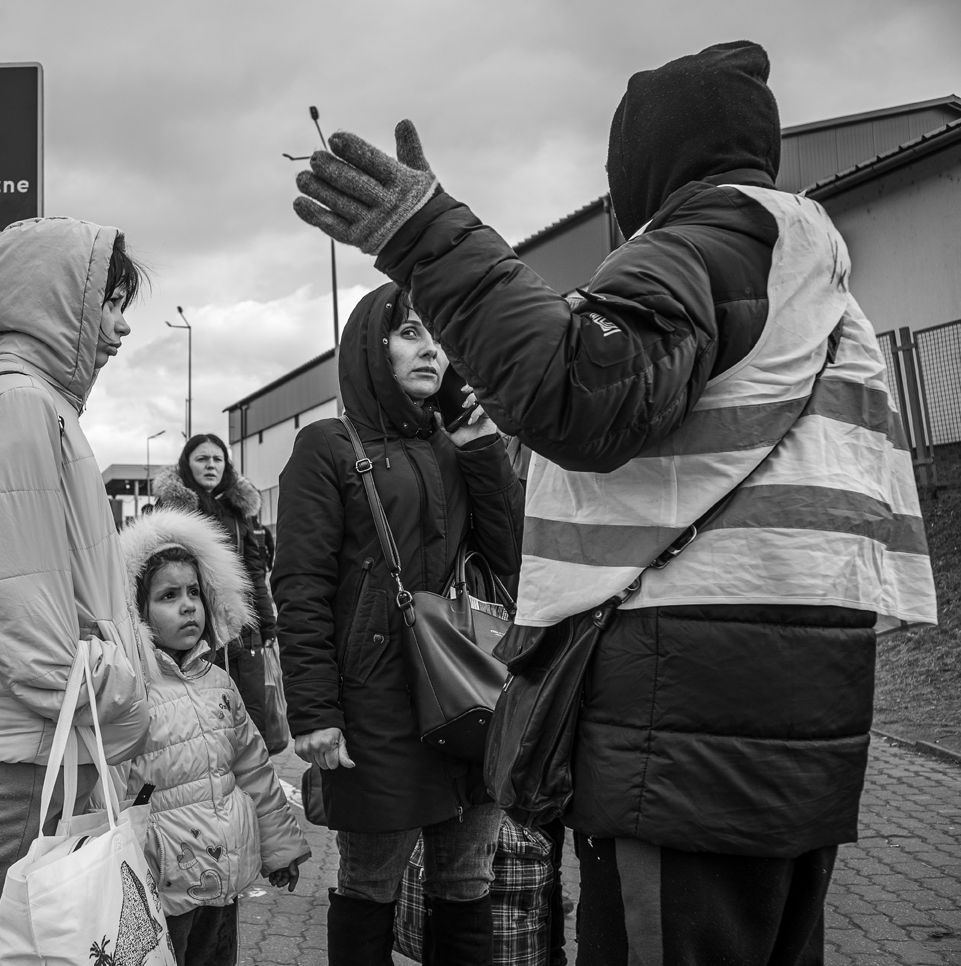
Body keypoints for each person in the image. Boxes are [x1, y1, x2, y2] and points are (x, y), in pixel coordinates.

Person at [291, 40, 936, 966]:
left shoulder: (707, 241)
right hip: (786, 706)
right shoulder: (811, 276)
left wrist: (430, 239)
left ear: (647, 161)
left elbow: (581, 394)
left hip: (683, 723)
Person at [273, 283, 525, 965]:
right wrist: (315, 712)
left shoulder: (457, 445)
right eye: (411, 331)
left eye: (438, 336)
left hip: (467, 689)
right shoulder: (326, 445)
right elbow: (300, 587)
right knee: (369, 884)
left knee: (468, 884)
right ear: (370, 346)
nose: (431, 349)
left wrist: (478, 444)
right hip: (375, 704)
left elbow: (509, 558)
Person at [0, 217, 154, 966]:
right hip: (27, 731)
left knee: (13, 930)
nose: (120, 327)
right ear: (60, 300)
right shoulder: (22, 405)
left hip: (32, 726)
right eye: (111, 303)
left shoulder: (32, 403)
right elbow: (16, 597)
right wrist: (113, 688)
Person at [119, 508, 310, 966]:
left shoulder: (220, 684)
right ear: (136, 611)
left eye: (193, 593)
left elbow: (255, 770)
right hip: (162, 878)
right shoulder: (128, 690)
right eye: (168, 595)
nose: (188, 605)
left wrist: (280, 847)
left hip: (224, 873)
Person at [153, 435, 284, 753]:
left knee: (249, 722)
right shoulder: (172, 510)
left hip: (242, 630)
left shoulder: (239, 510)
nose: (211, 464)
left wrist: (267, 624)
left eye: (217, 459)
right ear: (187, 463)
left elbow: (254, 573)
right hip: (195, 631)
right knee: (203, 723)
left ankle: (253, 791)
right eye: (202, 458)